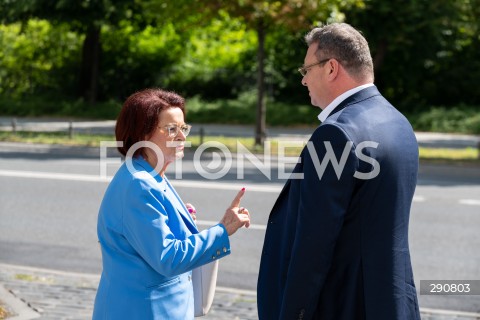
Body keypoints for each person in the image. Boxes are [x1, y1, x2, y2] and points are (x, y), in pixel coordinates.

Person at [257, 23, 421, 319]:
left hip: (341, 305)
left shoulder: (335, 133)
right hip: (390, 301)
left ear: (331, 68)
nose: (304, 81)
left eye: (306, 70)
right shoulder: (399, 123)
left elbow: (314, 245)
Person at [92, 88, 250, 319]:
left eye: (183, 128)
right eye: (171, 129)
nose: (182, 137)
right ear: (143, 134)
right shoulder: (140, 184)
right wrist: (223, 229)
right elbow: (169, 259)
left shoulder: (149, 173)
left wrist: (178, 221)